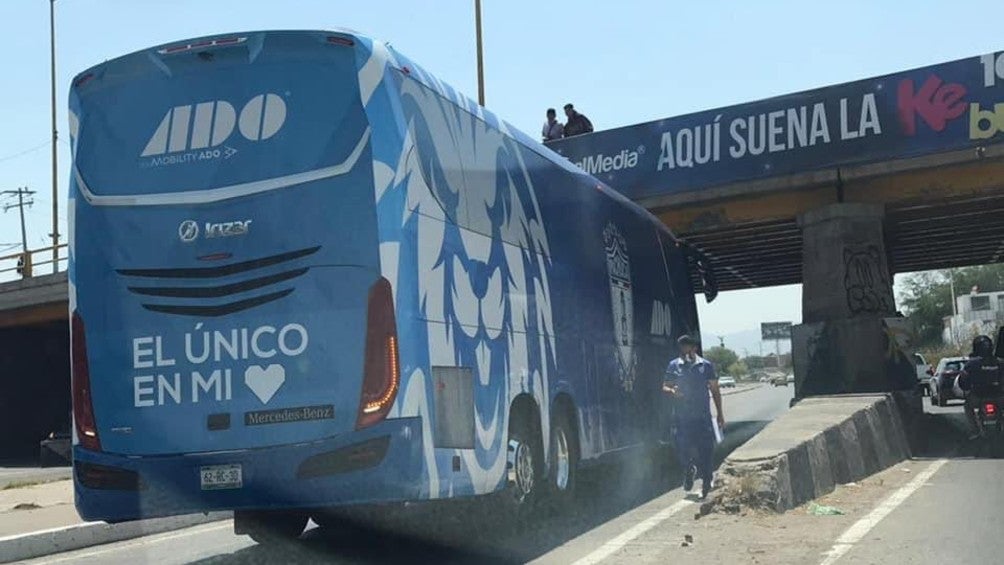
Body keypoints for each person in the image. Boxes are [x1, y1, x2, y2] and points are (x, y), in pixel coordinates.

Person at [662, 334, 724, 499]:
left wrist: (720, 414)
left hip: (702, 417)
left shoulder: (705, 366)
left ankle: (706, 481)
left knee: (706, 450)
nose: (684, 350)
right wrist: (672, 391)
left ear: (694, 348)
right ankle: (689, 469)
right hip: (682, 418)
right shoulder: (674, 366)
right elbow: (665, 386)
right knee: (681, 448)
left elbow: (715, 390)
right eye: (681, 347)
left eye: (687, 347)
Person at [958, 334, 1004, 440]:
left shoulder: (971, 363)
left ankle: (975, 431)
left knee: (967, 406)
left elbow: (963, 381)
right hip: (999, 398)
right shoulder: (1000, 362)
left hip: (977, 398)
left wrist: (966, 388)